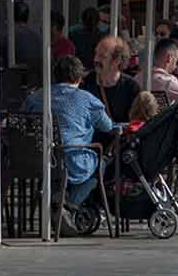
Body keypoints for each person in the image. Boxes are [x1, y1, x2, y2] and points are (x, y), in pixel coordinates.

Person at [23, 56, 119, 205]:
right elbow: (107, 126)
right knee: (102, 163)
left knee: (62, 165)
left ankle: (57, 197)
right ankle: (70, 203)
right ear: (79, 77)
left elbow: (22, 120)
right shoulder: (87, 100)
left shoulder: (36, 97)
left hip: (38, 160)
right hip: (73, 159)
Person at [81, 36, 140, 124]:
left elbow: (135, 123)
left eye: (102, 56)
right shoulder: (85, 83)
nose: (95, 59)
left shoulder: (131, 88)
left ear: (117, 61)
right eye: (96, 54)